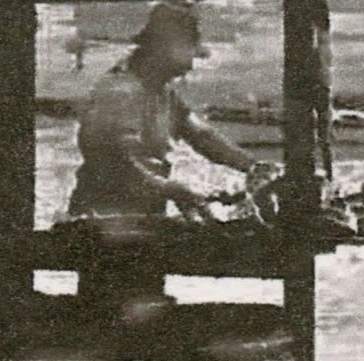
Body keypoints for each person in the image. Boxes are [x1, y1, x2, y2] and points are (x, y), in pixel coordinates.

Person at [66, 0, 259, 219]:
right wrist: (174, 190)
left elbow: (201, 134)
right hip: (102, 218)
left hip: (144, 213)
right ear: (164, 47)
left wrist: (253, 166)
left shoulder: (160, 88)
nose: (191, 64)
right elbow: (119, 163)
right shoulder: (120, 90)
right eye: (189, 49)